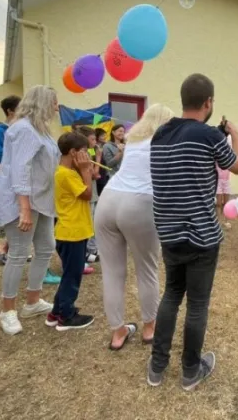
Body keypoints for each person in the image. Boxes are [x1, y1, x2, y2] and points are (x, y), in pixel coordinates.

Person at [147, 74, 238, 391]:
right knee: (198, 304)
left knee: (172, 294)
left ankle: (157, 367)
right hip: (202, 236)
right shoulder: (209, 136)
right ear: (208, 103)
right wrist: (235, 135)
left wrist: (214, 136)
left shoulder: (160, 135)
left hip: (168, 232)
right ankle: (191, 370)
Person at [95, 104, 175, 351]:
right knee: (147, 270)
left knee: (111, 272)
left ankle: (118, 331)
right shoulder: (164, 141)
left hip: (108, 200)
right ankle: (149, 327)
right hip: (139, 202)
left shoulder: (134, 139)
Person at [0, 85, 60, 335]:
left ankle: (32, 301)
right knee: (19, 253)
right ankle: (7, 310)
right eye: (54, 102)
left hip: (41, 201)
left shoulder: (40, 130)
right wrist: (24, 208)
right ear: (44, 102)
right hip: (23, 201)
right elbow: (20, 169)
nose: (57, 107)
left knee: (45, 248)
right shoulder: (23, 129)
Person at [44, 132, 95, 331]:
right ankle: (66, 316)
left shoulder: (69, 172)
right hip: (71, 233)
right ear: (73, 152)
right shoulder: (65, 173)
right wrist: (87, 172)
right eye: (83, 152)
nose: (87, 156)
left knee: (69, 275)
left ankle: (56, 312)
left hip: (73, 231)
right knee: (72, 277)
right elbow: (87, 194)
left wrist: (84, 170)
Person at [0, 95, 20, 265]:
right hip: (10, 181)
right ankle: (4, 249)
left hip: (19, 179)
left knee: (21, 217)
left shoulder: (17, 129)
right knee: (15, 217)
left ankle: (6, 249)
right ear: (10, 111)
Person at [77, 126, 100, 264]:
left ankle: (91, 250)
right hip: (88, 193)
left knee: (93, 223)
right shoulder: (83, 155)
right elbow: (94, 174)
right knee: (88, 224)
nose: (95, 142)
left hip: (94, 193)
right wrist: (98, 157)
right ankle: (86, 252)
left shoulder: (89, 151)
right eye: (92, 139)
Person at [216, 133, 233, 228]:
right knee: (218, 203)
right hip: (218, 180)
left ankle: (226, 221)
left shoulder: (229, 155)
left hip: (226, 180)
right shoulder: (216, 153)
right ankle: (218, 222)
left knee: (226, 203)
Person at [94, 127, 108, 195]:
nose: (105, 137)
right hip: (97, 174)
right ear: (97, 136)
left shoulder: (105, 146)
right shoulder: (93, 148)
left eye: (105, 135)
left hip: (104, 174)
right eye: (102, 135)